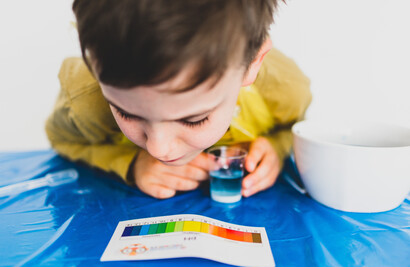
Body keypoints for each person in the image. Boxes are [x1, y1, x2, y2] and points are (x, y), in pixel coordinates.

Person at [46, 0, 312, 199]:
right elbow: (62, 138)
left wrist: (277, 148)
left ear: (252, 65)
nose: (158, 149)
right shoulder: (86, 97)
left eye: (193, 120)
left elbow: (295, 128)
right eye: (126, 113)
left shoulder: (284, 89)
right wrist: (128, 163)